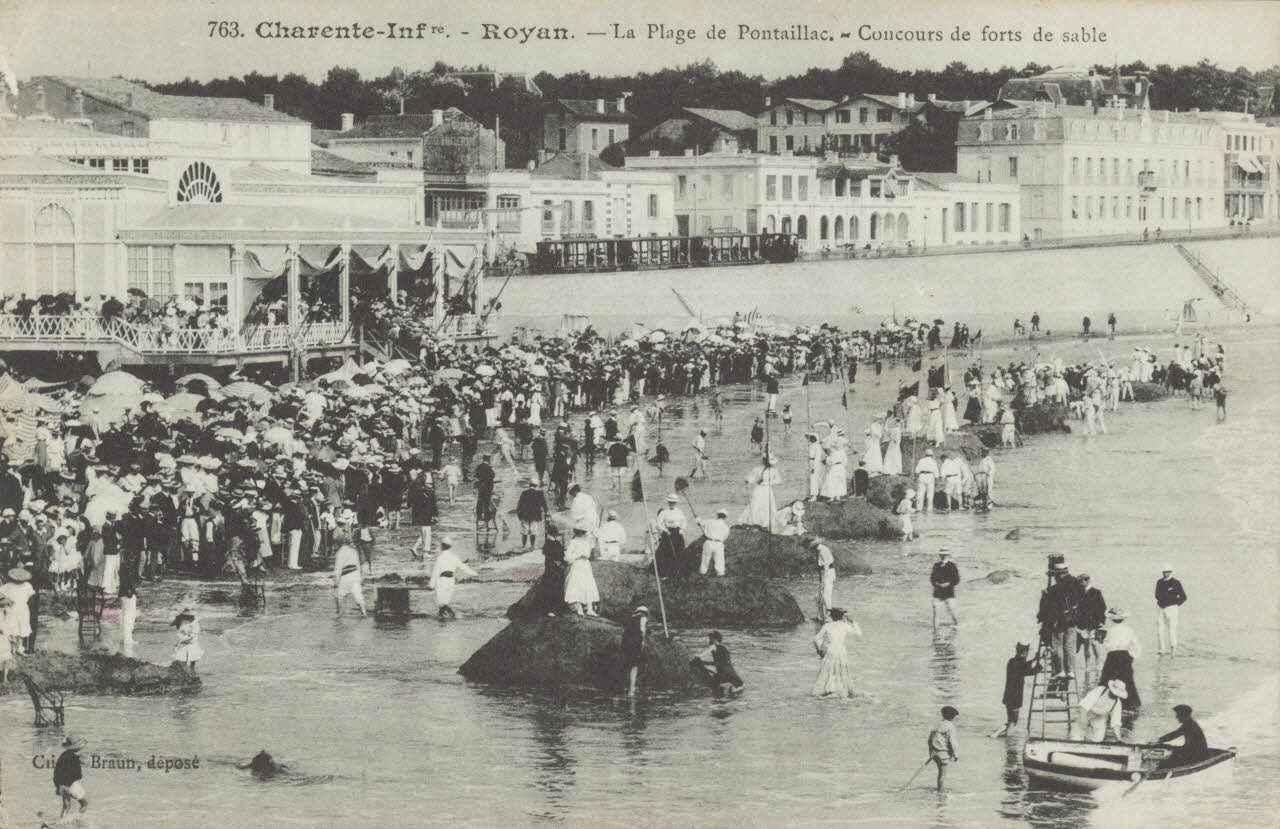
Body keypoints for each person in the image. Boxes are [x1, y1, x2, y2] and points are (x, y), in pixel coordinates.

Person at [1038, 561, 1082, 678]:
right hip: (1073, 620)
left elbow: (1048, 607)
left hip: (1059, 621)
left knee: (1057, 645)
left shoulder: (1054, 589)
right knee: (1069, 646)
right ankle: (1071, 670)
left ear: (1058, 575)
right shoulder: (1076, 584)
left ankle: (1060, 670)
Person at [992, 643, 1039, 737]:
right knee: (1014, 721)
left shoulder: (1011, 661)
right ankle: (998, 734)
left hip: (1008, 695)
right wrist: (1039, 665)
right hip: (1016, 696)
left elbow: (1023, 667)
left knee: (1010, 720)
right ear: (1025, 652)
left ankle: (1000, 734)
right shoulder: (1022, 663)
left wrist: (1034, 659)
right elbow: (1030, 671)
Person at [812, 607, 861, 698]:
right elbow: (858, 635)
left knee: (827, 671)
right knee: (841, 672)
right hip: (841, 651)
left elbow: (816, 639)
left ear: (832, 616)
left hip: (830, 650)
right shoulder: (844, 625)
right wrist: (853, 622)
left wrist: (820, 650)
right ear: (842, 616)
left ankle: (827, 690)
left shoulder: (827, 626)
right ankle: (841, 691)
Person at [1100, 607, 1141, 709]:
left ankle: (1108, 703)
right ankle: (1130, 704)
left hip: (1113, 656)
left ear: (1112, 619)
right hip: (1125, 655)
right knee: (1127, 679)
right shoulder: (1129, 630)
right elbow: (1136, 644)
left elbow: (1108, 645)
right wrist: (1132, 655)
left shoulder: (1111, 630)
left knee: (1108, 679)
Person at [431, 537, 478, 620]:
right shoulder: (454, 557)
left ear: (442, 546)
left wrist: (431, 584)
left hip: (442, 580)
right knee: (446, 601)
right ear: (450, 547)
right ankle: (447, 617)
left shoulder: (440, 558)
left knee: (441, 602)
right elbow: (463, 567)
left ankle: (448, 617)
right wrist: (474, 573)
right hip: (451, 580)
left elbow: (435, 571)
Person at [691, 630, 743, 698]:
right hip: (733, 675)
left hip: (722, 674)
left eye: (710, 638)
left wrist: (698, 658)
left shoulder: (713, 646)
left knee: (712, 687)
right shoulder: (725, 648)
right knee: (732, 691)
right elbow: (723, 663)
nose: (709, 640)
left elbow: (702, 655)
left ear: (714, 639)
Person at [1075, 573, 1107, 678]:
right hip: (1083, 623)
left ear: (1087, 581)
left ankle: (1099, 663)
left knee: (1094, 644)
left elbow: (1102, 607)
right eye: (1079, 582)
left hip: (1094, 623)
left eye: (1082, 581)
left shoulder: (1096, 592)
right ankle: (1087, 665)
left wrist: (1101, 621)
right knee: (1086, 645)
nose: (1080, 583)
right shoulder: (1079, 592)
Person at [563, 525, 599, 616]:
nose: (583, 534)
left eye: (584, 532)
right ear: (578, 532)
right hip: (577, 565)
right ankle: (579, 608)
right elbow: (567, 557)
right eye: (581, 532)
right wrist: (577, 556)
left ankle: (589, 608)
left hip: (586, 565)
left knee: (588, 584)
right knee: (577, 585)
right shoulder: (573, 542)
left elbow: (589, 553)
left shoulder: (587, 542)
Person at [738, 454, 780, 530]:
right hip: (759, 489)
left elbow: (778, 480)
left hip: (767, 489)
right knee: (755, 504)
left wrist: (768, 483)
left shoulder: (774, 470)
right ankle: (752, 522)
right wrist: (748, 480)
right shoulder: (757, 469)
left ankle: (765, 524)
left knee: (766, 506)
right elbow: (752, 478)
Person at [53, 735, 89, 818]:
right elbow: (76, 774)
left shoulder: (62, 756)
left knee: (66, 807)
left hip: (62, 785)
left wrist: (57, 786)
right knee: (84, 804)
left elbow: (56, 772)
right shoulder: (74, 758)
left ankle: (61, 823)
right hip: (71, 784)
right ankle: (77, 820)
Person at [1155, 564, 1187, 656]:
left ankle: (1173, 649)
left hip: (1172, 608)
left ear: (1171, 572)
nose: (1166, 574)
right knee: (1160, 629)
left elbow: (1183, 597)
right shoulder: (1159, 582)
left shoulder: (1176, 582)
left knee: (1172, 629)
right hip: (1160, 608)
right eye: (1164, 572)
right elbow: (1156, 595)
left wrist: (1175, 604)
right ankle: (1161, 650)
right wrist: (1162, 602)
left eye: (1168, 572)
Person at [655, 494, 688, 577]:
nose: (672, 504)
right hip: (667, 533)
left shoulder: (680, 512)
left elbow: (684, 522)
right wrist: (664, 530)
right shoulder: (664, 512)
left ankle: (678, 572)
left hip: (677, 533)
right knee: (665, 553)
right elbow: (658, 523)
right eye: (670, 502)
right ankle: (664, 573)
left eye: (673, 502)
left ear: (676, 503)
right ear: (668, 502)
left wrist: (681, 529)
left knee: (679, 552)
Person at [927, 707, 960, 792]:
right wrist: (956, 754)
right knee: (942, 774)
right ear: (953, 717)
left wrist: (931, 753)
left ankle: (939, 789)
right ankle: (940, 791)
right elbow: (953, 742)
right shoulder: (950, 726)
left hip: (934, 752)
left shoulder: (937, 725)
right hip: (943, 753)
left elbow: (929, 740)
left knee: (940, 772)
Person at [332, 538, 366, 617]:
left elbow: (338, 568)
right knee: (358, 595)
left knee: (339, 595)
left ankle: (339, 613)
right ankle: (363, 612)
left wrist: (336, 581)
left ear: (338, 544)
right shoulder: (353, 551)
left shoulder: (340, 553)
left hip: (345, 576)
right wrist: (360, 577)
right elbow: (358, 565)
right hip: (355, 574)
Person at [538, 525, 566, 616]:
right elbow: (554, 557)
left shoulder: (550, 543)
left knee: (553, 588)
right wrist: (560, 563)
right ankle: (552, 609)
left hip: (553, 568)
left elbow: (552, 557)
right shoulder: (553, 543)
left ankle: (552, 609)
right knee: (553, 588)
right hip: (553, 569)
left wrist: (559, 563)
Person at [515, 480, 549, 551]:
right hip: (535, 515)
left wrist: (518, 513)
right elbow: (544, 505)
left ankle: (523, 546)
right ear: (536, 486)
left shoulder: (524, 493)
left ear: (529, 485)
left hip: (525, 515)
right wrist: (545, 511)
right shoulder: (539, 493)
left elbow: (519, 504)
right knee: (533, 531)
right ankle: (532, 546)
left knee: (525, 531)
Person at [622, 605, 648, 696]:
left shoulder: (631, 619)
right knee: (634, 667)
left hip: (625, 643)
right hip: (635, 643)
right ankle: (631, 690)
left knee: (627, 665)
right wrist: (643, 641)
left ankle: (626, 687)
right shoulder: (643, 618)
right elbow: (642, 630)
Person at [930, 549, 959, 629]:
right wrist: (936, 584)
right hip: (937, 592)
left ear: (948, 556)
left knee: (952, 612)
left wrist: (948, 584)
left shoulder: (952, 565)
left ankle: (957, 625)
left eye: (945, 555)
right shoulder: (936, 565)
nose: (943, 556)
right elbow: (932, 579)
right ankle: (935, 631)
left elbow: (956, 580)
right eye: (941, 555)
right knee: (936, 613)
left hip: (949, 593)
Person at [698, 509, 730, 577]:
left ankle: (703, 572)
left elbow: (700, 523)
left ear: (718, 515)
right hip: (719, 543)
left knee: (706, 557)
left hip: (709, 542)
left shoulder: (710, 521)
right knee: (719, 558)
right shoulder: (726, 527)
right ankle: (720, 573)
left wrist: (697, 519)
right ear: (725, 517)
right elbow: (725, 537)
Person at [170, 609, 204, 674]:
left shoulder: (195, 623)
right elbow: (176, 628)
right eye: (185, 616)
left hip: (192, 642)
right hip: (184, 643)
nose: (186, 617)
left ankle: (192, 670)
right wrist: (179, 640)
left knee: (192, 658)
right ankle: (185, 671)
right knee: (182, 658)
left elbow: (193, 635)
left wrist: (181, 640)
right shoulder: (183, 622)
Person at [815, 537, 835, 621]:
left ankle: (828, 614)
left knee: (826, 594)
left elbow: (826, 565)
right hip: (824, 572)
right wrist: (820, 577)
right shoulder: (819, 549)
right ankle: (820, 616)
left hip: (828, 572)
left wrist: (823, 579)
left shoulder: (822, 550)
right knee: (819, 595)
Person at [914, 448, 939, 514]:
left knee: (920, 493)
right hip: (930, 476)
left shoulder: (921, 460)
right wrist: (936, 479)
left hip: (922, 475)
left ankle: (919, 508)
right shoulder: (933, 461)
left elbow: (917, 470)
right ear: (932, 455)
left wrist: (916, 477)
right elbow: (936, 471)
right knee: (930, 493)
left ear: (925, 454)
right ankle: (929, 508)